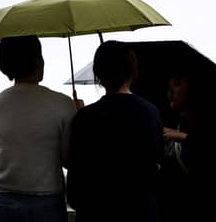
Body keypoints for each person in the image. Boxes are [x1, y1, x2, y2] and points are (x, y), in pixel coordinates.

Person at [0, 35, 77, 222]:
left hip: (3, 200)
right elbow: (68, 159)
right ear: (38, 61)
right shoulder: (63, 103)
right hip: (48, 201)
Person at [66, 40, 163, 222]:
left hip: (96, 212)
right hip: (141, 211)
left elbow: (77, 179)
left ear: (98, 75)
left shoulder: (85, 118)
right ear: (132, 72)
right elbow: (155, 162)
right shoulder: (150, 112)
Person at [159, 67, 216, 222]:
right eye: (169, 87)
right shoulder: (170, 125)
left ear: (194, 89)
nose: (171, 91)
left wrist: (184, 138)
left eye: (177, 84)